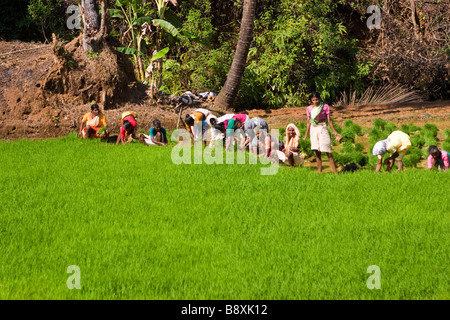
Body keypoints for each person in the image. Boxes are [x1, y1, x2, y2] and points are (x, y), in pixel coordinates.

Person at [303, 92, 342, 173]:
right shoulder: (309, 108)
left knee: (328, 151)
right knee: (316, 151)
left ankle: (335, 173)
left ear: (319, 99)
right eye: (313, 100)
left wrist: (334, 131)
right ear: (311, 100)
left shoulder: (325, 107)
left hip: (322, 127)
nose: (315, 101)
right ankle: (320, 172)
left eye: (316, 99)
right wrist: (305, 135)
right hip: (313, 129)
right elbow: (308, 122)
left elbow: (329, 120)